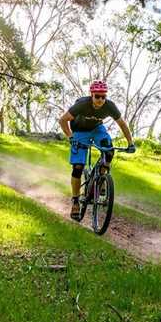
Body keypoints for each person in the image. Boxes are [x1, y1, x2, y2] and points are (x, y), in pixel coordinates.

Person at [58, 80, 135, 220]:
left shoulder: (110, 106)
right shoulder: (82, 105)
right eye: (97, 96)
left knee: (109, 151)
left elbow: (122, 124)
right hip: (79, 132)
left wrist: (131, 143)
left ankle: (101, 179)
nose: (100, 99)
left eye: (103, 97)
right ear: (91, 95)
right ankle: (75, 201)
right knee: (78, 167)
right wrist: (70, 137)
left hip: (97, 129)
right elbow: (63, 120)